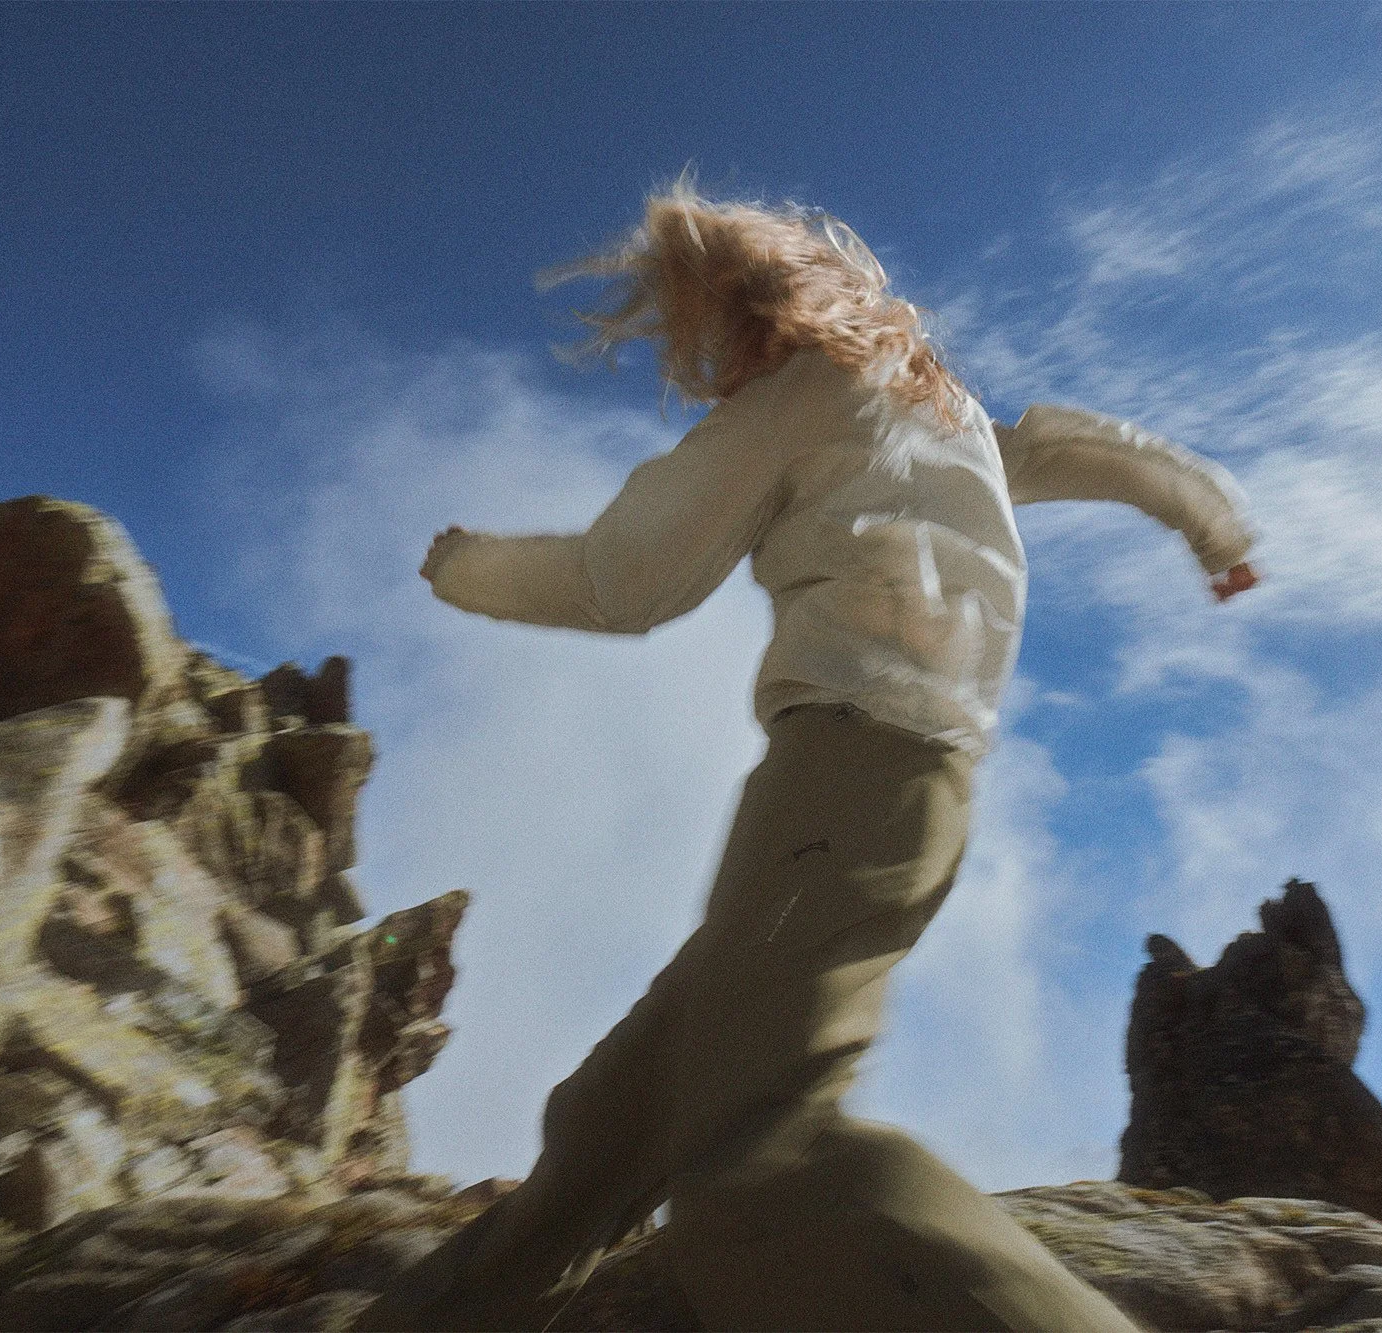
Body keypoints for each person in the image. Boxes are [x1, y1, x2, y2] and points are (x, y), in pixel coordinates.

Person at [359, 176, 1260, 1333]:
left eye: (692, 325)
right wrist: (1213, 524)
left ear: (735, 313)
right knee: (613, 1121)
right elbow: (1079, 449)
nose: (692, 358)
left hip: (842, 774)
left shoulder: (793, 399)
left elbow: (622, 579)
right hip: (911, 794)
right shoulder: (941, 417)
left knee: (757, 1151)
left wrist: (465, 569)